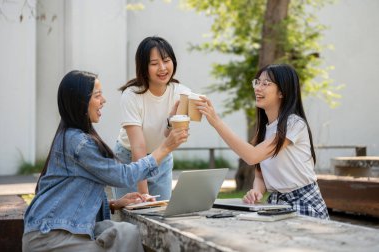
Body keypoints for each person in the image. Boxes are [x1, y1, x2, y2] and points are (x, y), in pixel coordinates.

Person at [22, 70, 189, 251]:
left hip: (60, 230)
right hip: (50, 238)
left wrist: (115, 204)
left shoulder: (73, 137)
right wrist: (165, 147)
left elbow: (75, 192)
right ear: (80, 102)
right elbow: (123, 176)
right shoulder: (78, 142)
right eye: (97, 95)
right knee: (124, 236)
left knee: (125, 232)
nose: (104, 101)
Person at [196, 64, 329, 219]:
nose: (258, 88)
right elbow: (260, 174)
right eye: (257, 82)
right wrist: (257, 191)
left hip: (303, 202)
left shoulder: (294, 124)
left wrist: (216, 121)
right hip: (276, 203)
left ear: (282, 92)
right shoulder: (264, 130)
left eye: (266, 84)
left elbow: (252, 156)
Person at [113, 36, 190, 200]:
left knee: (160, 215)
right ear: (143, 67)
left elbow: (170, 138)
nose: (162, 68)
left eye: (166, 61)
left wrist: (171, 122)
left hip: (162, 157)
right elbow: (138, 148)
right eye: (154, 64)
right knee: (133, 212)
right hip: (129, 160)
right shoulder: (131, 96)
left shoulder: (182, 93)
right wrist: (144, 194)